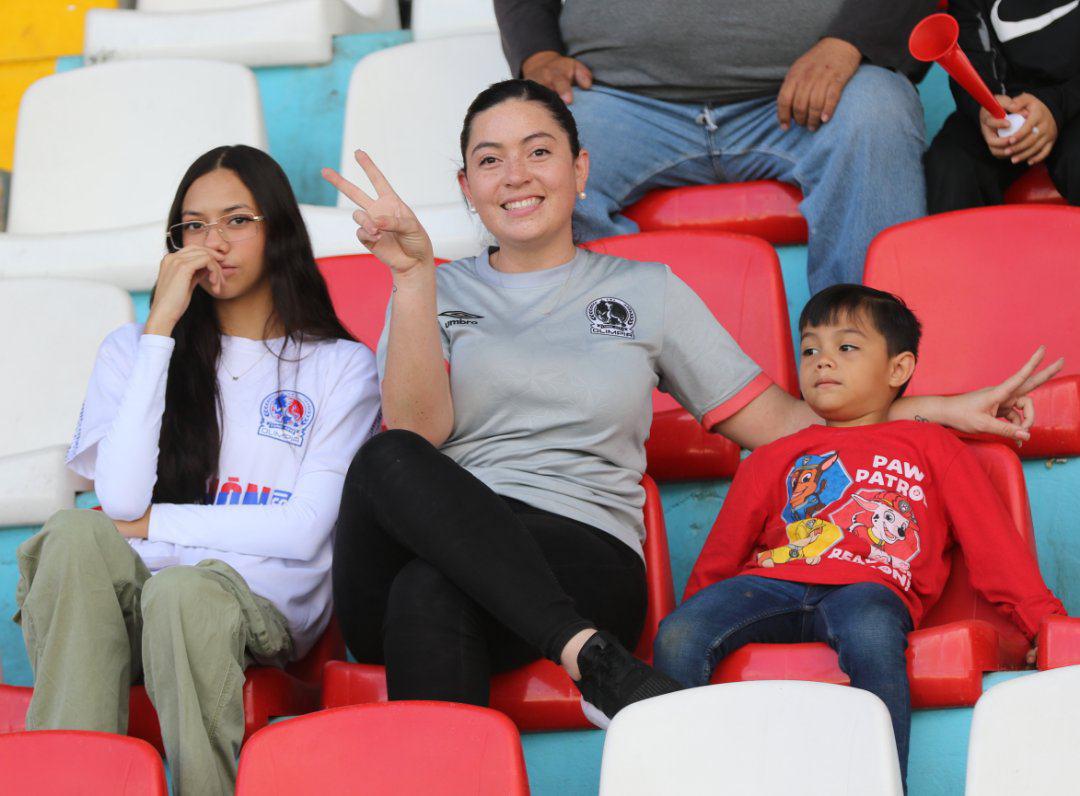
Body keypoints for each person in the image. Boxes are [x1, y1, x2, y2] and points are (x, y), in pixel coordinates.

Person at [322, 78, 1058, 727]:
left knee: (430, 592)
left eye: (539, 151)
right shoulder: (434, 291)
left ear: (580, 172)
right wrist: (414, 278)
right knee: (388, 458)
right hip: (451, 548)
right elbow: (420, 436)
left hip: (578, 553)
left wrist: (936, 410)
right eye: (490, 159)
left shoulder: (648, 293)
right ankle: (590, 660)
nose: (516, 175)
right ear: (466, 184)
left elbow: (784, 426)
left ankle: (571, 651)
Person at [14, 145, 380, 795]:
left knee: (181, 593)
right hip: (135, 594)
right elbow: (120, 499)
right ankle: (72, 784)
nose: (214, 242)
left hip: (258, 600)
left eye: (238, 220)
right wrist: (159, 329)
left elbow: (300, 533)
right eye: (194, 226)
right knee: (73, 535)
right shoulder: (131, 349)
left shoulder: (339, 366)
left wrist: (155, 524)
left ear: (278, 230)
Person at [653, 284, 1066, 786]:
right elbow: (723, 553)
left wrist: (1041, 623)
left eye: (846, 347)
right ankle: (676, 780)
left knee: (871, 630)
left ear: (898, 369)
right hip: (773, 584)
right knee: (679, 633)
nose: (823, 361)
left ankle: (882, 783)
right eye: (809, 349)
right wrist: (698, 607)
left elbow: (992, 544)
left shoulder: (933, 445)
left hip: (869, 588)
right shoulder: (773, 455)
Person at [494, 0, 936, 292]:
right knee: (532, 153)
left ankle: (866, 378)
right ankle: (601, 372)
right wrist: (537, 53)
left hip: (805, 95)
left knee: (877, 110)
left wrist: (849, 42)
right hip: (621, 100)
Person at [924, 0, 1079, 211]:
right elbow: (967, 55)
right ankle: (956, 245)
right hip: (1005, 110)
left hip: (1074, 100)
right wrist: (984, 108)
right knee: (950, 164)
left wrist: (1057, 104)